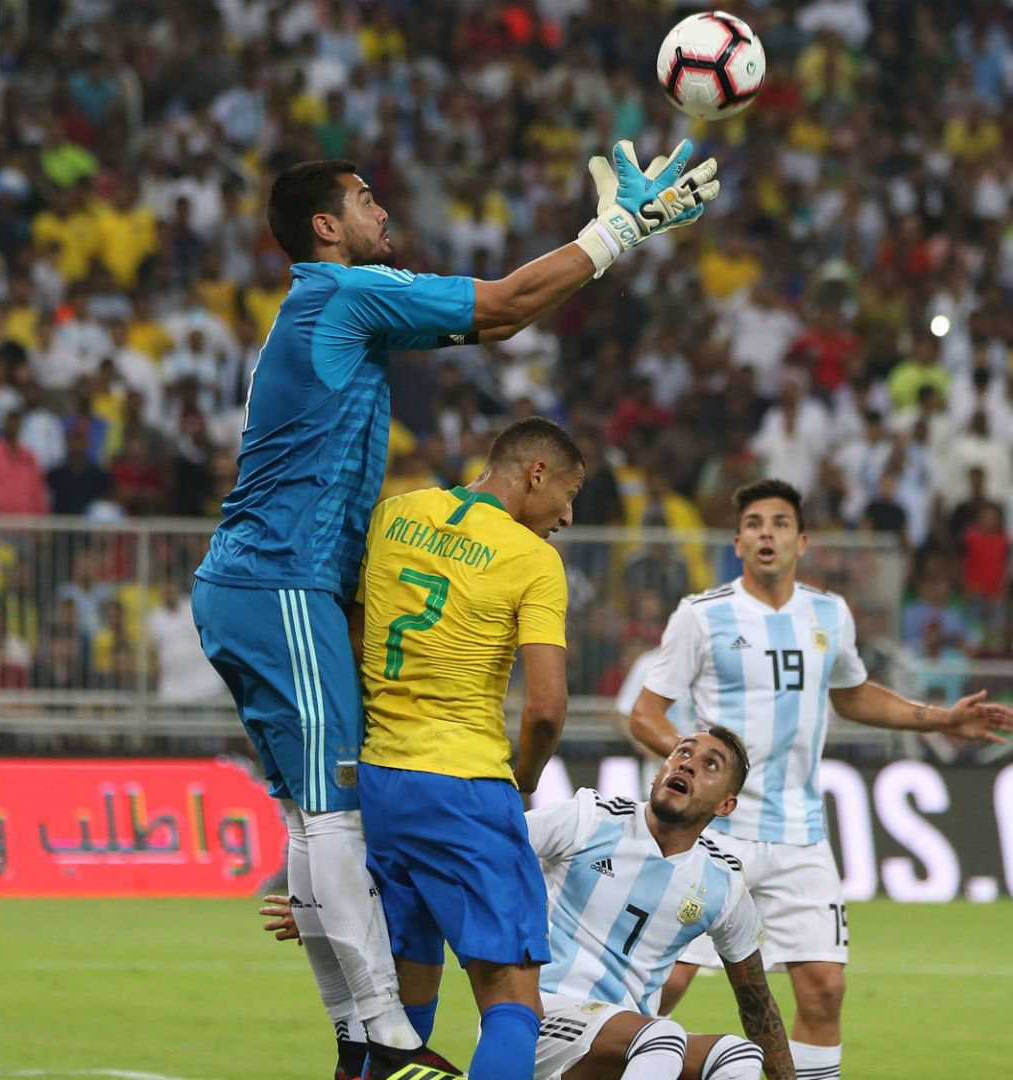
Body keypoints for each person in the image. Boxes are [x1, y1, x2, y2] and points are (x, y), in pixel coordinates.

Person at [191, 146, 720, 1080]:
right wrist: (617, 233)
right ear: (326, 228)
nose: (381, 209)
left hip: (271, 592)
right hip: (281, 582)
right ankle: (379, 1035)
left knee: (323, 818)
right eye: (364, 200)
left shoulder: (345, 339)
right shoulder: (344, 297)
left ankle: (368, 1035)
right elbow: (506, 307)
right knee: (335, 819)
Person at [624, 479, 1013, 1079]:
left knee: (824, 991)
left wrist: (941, 719)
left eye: (780, 523)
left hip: (800, 835)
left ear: (802, 541)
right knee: (665, 982)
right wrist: (693, 769)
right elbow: (645, 712)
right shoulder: (702, 616)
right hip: (717, 835)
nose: (767, 533)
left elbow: (854, 694)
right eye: (755, 523)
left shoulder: (829, 615)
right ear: (738, 542)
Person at [266, 729, 797, 1080]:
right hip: (541, 1018)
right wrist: (342, 904)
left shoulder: (722, 885)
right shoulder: (591, 820)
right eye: (682, 751)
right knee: (661, 1036)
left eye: (710, 764)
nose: (687, 762)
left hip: (624, 1049)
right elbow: (465, 858)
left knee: (739, 1058)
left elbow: (759, 1006)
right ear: (660, 769)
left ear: (725, 805)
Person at [354, 418, 585, 1080]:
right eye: (567, 495)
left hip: (383, 779)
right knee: (513, 1000)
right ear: (535, 474)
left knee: (404, 992)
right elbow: (545, 708)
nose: (566, 516)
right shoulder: (532, 559)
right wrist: (524, 779)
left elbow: (351, 627)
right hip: (464, 783)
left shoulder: (395, 515)